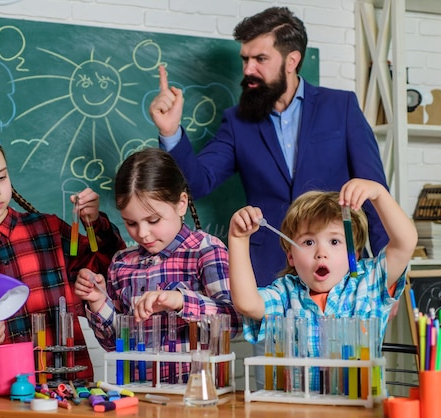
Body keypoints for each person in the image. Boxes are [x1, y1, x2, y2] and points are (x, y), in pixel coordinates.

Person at [149, 6, 389, 288]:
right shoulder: (237, 122)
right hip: (269, 273)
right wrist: (170, 131)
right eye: (245, 59)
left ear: (292, 60)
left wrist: (388, 276)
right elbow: (197, 184)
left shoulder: (341, 107)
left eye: (260, 59)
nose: (248, 69)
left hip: (338, 268)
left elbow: (374, 193)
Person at [0, 129, 126, 382]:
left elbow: (114, 271)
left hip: (69, 393)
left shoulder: (48, 231)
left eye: (2, 177)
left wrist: (95, 224)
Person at [227, 178, 417, 390]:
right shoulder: (286, 293)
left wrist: (379, 194)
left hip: (359, 411)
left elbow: (405, 243)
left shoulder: (368, 282)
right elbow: (246, 302)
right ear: (291, 257)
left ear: (353, 255)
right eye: (308, 242)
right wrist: (238, 239)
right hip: (298, 411)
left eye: (334, 242)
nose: (321, 253)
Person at [75, 147, 240, 381]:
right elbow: (112, 344)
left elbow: (233, 322)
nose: (142, 233)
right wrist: (98, 301)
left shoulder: (205, 250)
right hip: (140, 394)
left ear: (181, 203)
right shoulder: (122, 263)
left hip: (197, 396)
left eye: (153, 220)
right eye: (131, 223)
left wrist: (181, 301)